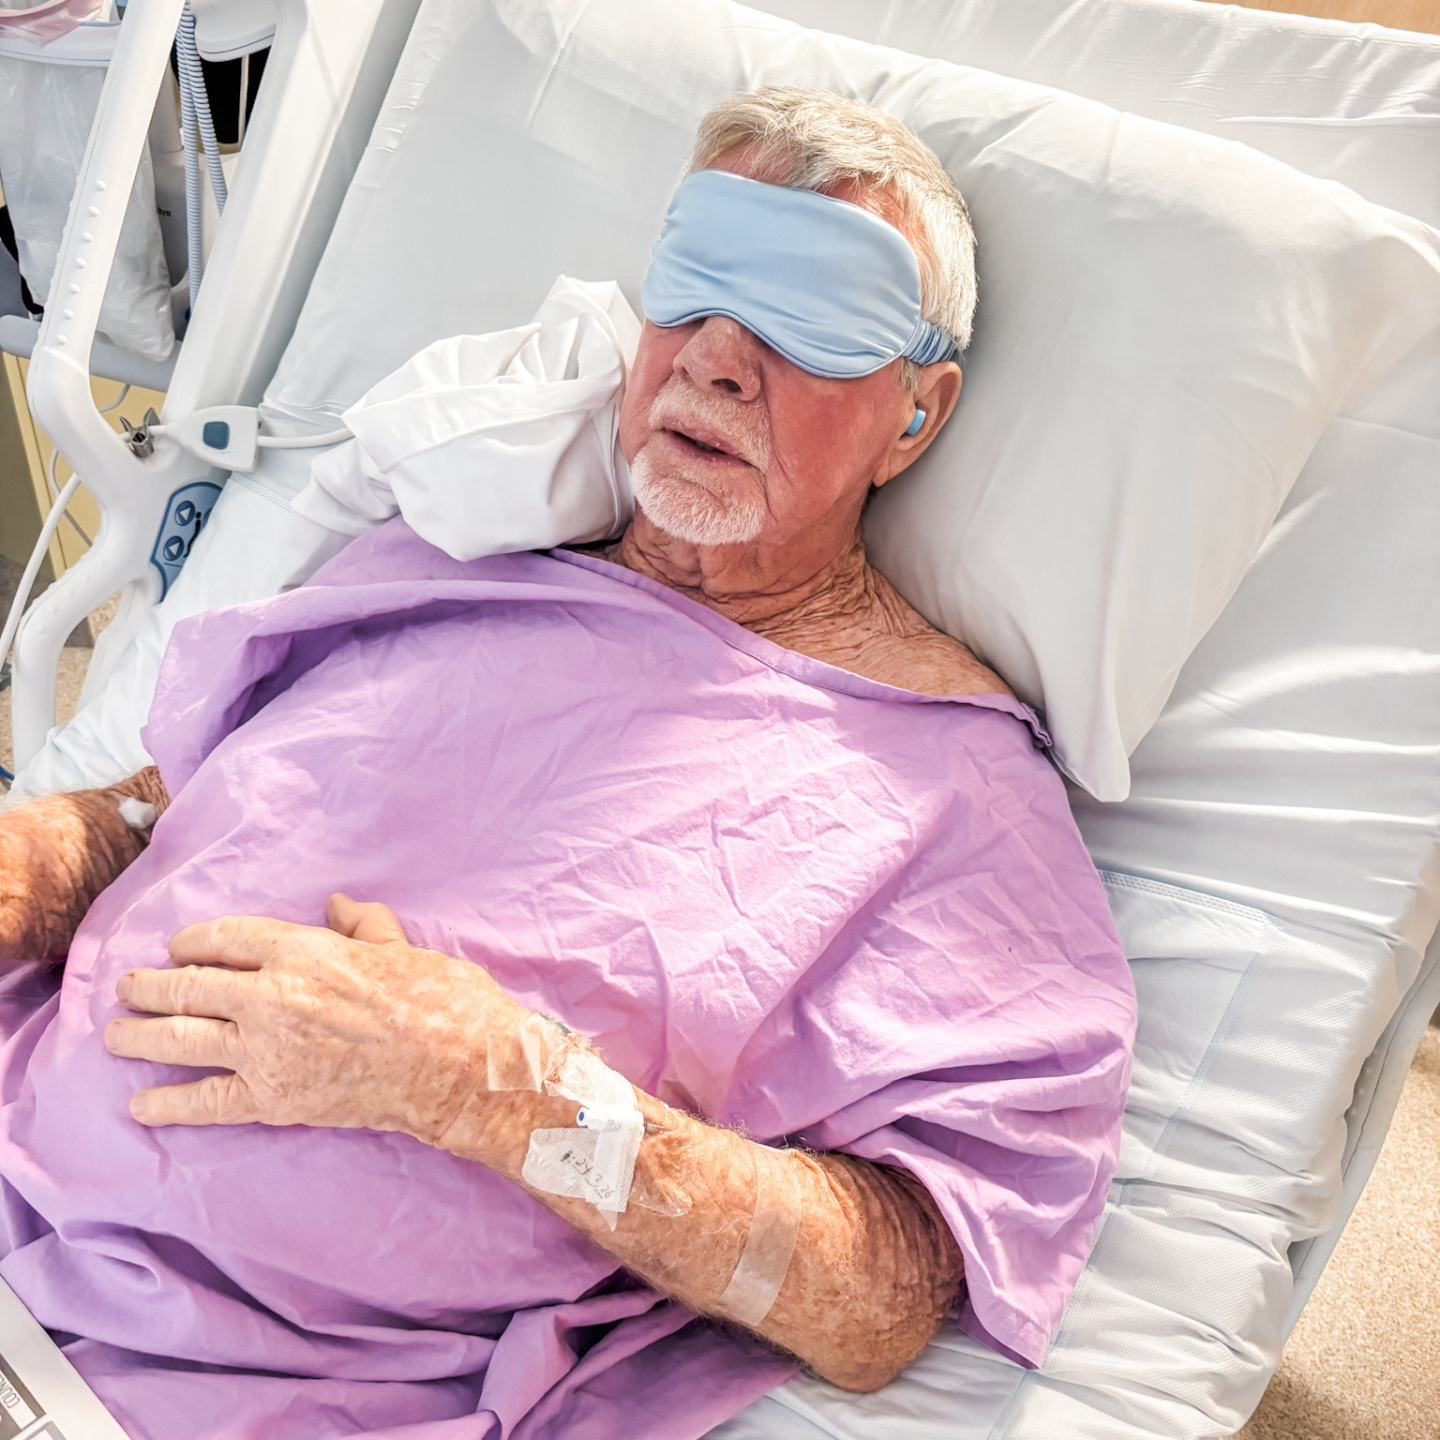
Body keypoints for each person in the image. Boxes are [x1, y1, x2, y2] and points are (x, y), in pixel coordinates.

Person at [0, 90, 1134, 1440]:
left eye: (808, 316)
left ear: (915, 417)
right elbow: (160, 813)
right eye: (696, 286)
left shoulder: (952, 799)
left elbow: (876, 1300)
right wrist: (29, 860)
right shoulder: (453, 559)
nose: (717, 357)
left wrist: (499, 1089)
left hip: (208, 1389)